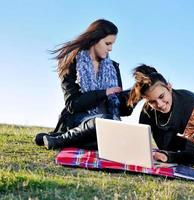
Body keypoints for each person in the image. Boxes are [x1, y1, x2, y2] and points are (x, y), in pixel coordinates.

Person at [34, 19, 133, 150]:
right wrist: (105, 92)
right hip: (78, 120)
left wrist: (135, 95)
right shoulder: (71, 64)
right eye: (107, 43)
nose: (110, 48)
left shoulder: (113, 68)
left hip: (109, 122)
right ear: (94, 39)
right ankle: (61, 139)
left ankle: (60, 138)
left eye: (112, 44)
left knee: (114, 130)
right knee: (105, 122)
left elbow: (122, 110)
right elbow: (72, 105)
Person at [127, 64, 194, 165]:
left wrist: (168, 157)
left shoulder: (191, 102)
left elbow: (193, 154)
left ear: (169, 87)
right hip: (167, 153)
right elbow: (141, 143)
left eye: (161, 96)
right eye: (152, 101)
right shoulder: (147, 110)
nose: (160, 104)